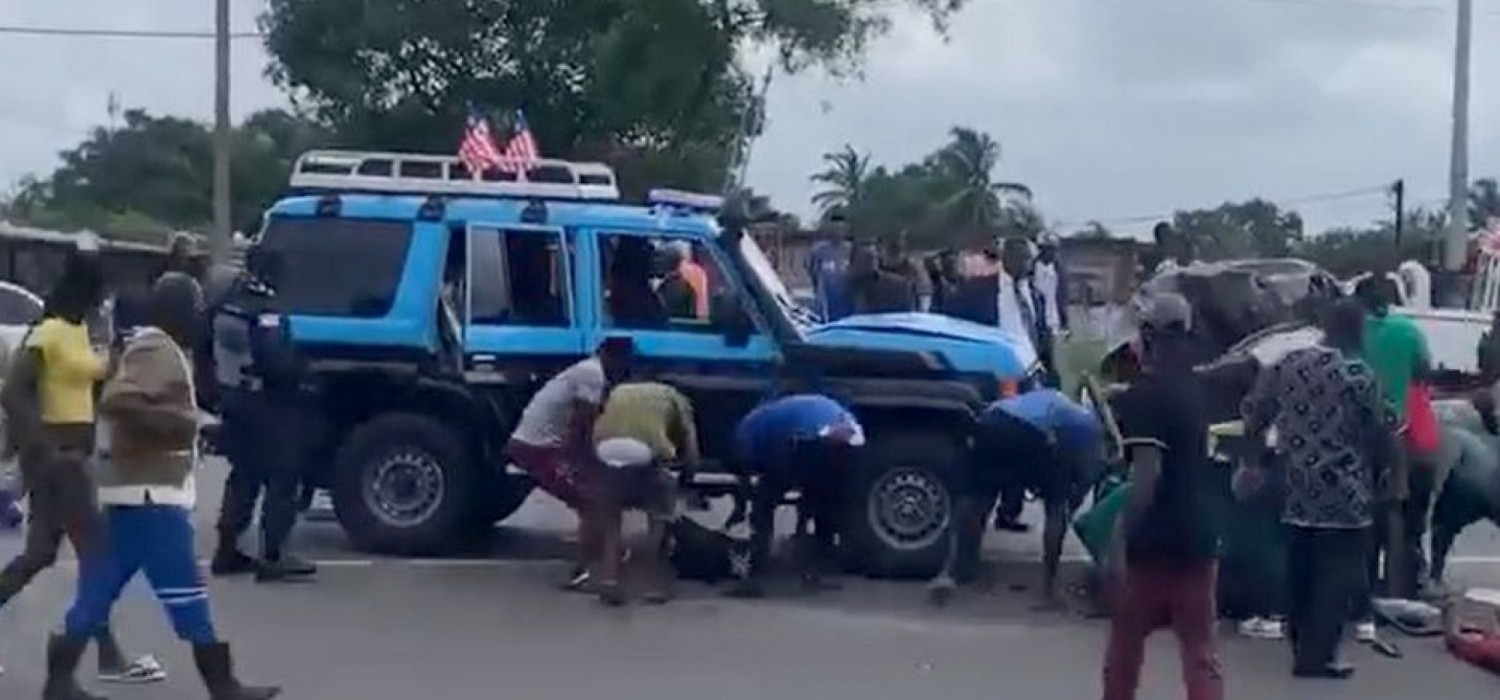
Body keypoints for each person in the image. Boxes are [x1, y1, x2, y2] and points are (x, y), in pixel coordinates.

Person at [47, 272, 279, 700]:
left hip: (133, 491)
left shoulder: (154, 344)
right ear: (177, 311)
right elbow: (120, 400)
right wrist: (184, 424)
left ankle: (57, 681)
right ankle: (222, 686)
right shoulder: (156, 347)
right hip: (152, 495)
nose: (198, 316)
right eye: (193, 308)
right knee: (186, 593)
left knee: (97, 590)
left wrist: (192, 425)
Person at [0, 249, 163, 685]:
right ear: (83, 289)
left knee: (41, 556)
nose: (102, 299)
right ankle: (102, 658)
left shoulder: (76, 331)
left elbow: (92, 383)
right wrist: (43, 450)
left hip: (74, 455)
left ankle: (102, 656)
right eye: (98, 290)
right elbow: (14, 392)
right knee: (97, 557)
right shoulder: (48, 332)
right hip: (58, 458)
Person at [1240, 298, 1399, 679]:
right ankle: (1319, 656)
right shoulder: (1358, 374)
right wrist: (1386, 472)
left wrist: (1253, 462)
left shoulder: (1289, 365)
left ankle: (1300, 646)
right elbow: (1381, 429)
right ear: (1355, 329)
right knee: (1335, 576)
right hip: (1343, 491)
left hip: (1294, 487)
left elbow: (1255, 413)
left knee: (1299, 570)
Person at [1101, 292, 1222, 700]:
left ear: (1148, 337)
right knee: (1200, 654)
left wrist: (1118, 537)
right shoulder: (1197, 390)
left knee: (1124, 653)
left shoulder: (1145, 396)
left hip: (1152, 545)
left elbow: (1147, 478)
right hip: (1198, 540)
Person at [928, 388, 1105, 608]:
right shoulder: (1089, 425)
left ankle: (948, 572)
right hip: (1032, 432)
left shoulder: (1047, 397)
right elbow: (1088, 474)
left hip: (990, 423)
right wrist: (1068, 502)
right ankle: (1048, 593)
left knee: (975, 499)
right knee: (1055, 508)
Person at [207, 247, 317, 583]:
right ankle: (273, 555)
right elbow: (274, 360)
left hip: (233, 398)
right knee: (284, 473)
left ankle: (226, 550)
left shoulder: (226, 302)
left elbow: (204, 346)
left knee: (245, 473)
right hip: (263, 402)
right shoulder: (265, 309)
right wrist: (303, 374)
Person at [505, 337, 635, 591]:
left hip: (538, 444)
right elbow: (580, 428)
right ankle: (584, 571)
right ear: (614, 358)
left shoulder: (586, 370)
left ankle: (600, 556)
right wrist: (589, 463)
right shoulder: (593, 376)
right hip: (539, 448)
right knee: (592, 503)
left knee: (589, 498)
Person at [728, 392, 865, 598]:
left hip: (805, 439)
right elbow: (763, 471)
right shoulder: (757, 430)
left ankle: (771, 568)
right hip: (808, 438)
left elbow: (761, 473)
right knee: (799, 506)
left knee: (776, 505)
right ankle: (797, 568)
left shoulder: (750, 434)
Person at [1356, 275, 1433, 612]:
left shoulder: (1349, 331)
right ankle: (1396, 587)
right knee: (1393, 509)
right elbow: (1423, 370)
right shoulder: (1407, 330)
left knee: (1358, 512)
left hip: (1353, 434)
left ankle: (1361, 584)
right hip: (1394, 431)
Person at [590, 379, 700, 606]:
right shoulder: (677, 399)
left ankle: (609, 581)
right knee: (657, 522)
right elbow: (691, 447)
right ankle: (652, 586)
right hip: (644, 452)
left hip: (605, 449)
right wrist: (688, 476)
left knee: (612, 523)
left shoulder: (620, 390)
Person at [993, 236, 1051, 532]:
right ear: (1009, 258)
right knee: (996, 440)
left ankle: (1009, 510)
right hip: (997, 374)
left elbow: (1041, 335)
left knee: (1024, 442)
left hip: (1029, 375)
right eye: (1026, 259)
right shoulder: (986, 290)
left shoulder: (1034, 295)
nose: (1030, 265)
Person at [805, 211, 854, 321]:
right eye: (834, 228)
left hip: (847, 302)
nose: (837, 232)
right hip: (825, 303)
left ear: (846, 229)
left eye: (840, 228)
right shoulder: (818, 251)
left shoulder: (852, 250)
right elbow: (812, 272)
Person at [1032, 234, 1070, 335]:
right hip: (1035, 321)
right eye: (1048, 249)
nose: (1052, 253)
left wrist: (1064, 321)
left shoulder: (1058, 270)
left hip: (1053, 320)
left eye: (1054, 249)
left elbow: (1061, 297)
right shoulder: (1031, 269)